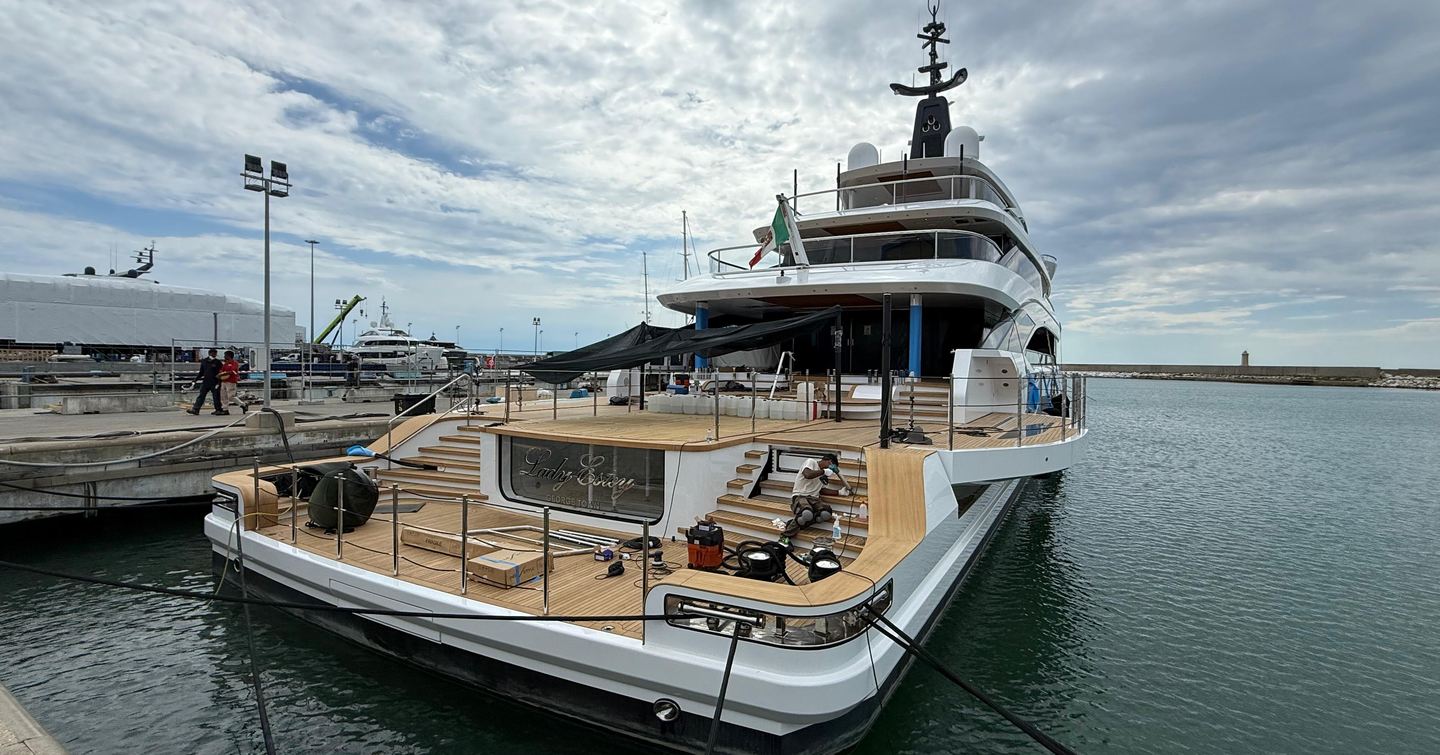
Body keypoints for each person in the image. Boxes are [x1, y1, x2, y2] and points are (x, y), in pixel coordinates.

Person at [784, 453, 842, 538]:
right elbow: (807, 474)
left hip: (814, 499)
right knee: (807, 513)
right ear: (829, 461)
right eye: (831, 466)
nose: (830, 470)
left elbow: (822, 490)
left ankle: (797, 521)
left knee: (826, 513)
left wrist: (839, 492)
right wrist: (824, 471)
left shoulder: (824, 474)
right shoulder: (811, 462)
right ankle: (785, 537)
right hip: (800, 496)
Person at [187, 348, 224, 415]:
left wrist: (219, 382)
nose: (214, 354)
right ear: (209, 353)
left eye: (215, 353)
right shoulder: (204, 361)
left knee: (216, 396)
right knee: (201, 395)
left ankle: (218, 409)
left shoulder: (218, 362)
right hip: (206, 381)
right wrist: (196, 379)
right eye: (213, 353)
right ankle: (196, 409)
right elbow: (201, 372)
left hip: (215, 382)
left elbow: (221, 373)